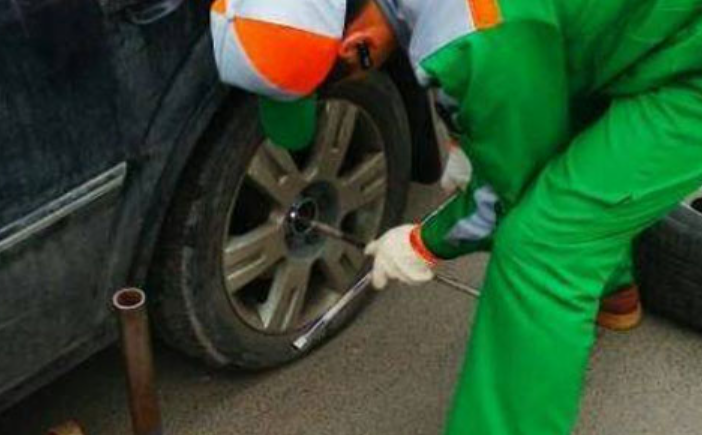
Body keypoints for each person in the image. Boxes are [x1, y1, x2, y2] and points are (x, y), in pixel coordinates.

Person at [210, 0, 702, 434]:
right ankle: (614, 293)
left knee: (543, 244)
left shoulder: (474, 32)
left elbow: (514, 191)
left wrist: (426, 242)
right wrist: (472, 132)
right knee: (575, 153)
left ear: (357, 47)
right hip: (640, 26)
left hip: (688, 65)